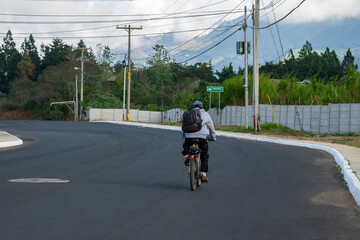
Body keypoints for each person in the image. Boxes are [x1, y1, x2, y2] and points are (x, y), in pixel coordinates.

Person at [182, 100, 216, 183]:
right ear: (202, 107)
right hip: (201, 138)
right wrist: (213, 137)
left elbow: (183, 127)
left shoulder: (188, 114)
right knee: (204, 154)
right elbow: (211, 127)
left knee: (185, 146)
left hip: (188, 136)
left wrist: (185, 136)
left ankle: (187, 157)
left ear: (193, 107)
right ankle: (203, 174)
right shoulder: (206, 114)